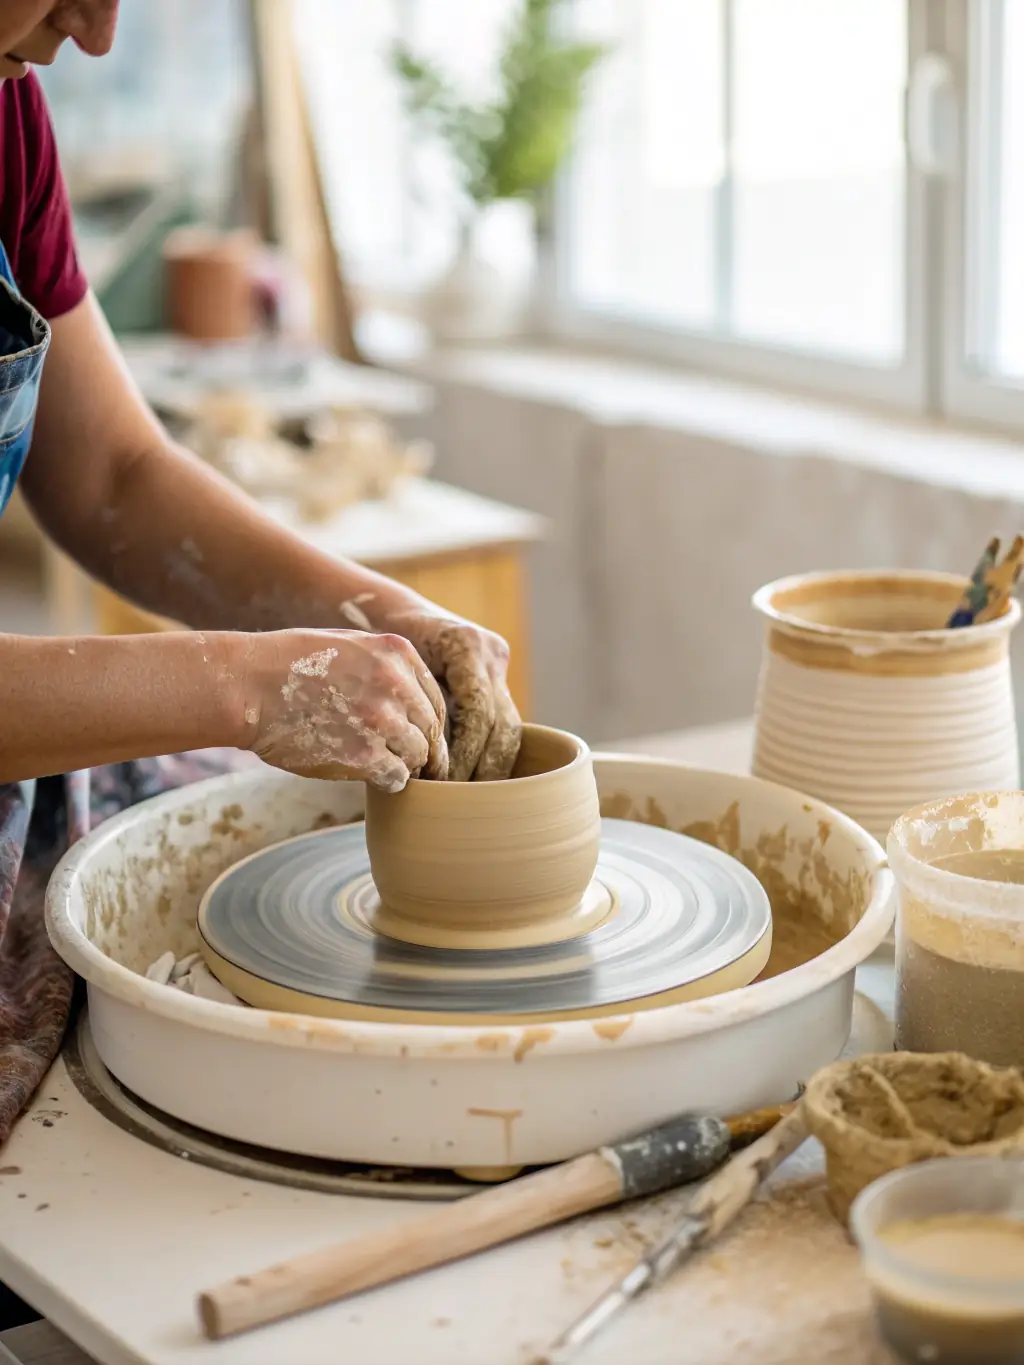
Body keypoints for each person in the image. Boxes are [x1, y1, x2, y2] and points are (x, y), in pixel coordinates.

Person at [0, 3, 523, 1322]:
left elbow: (112, 470)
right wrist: (239, 688)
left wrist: (373, 610)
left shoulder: (3, 100)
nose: (99, 34)